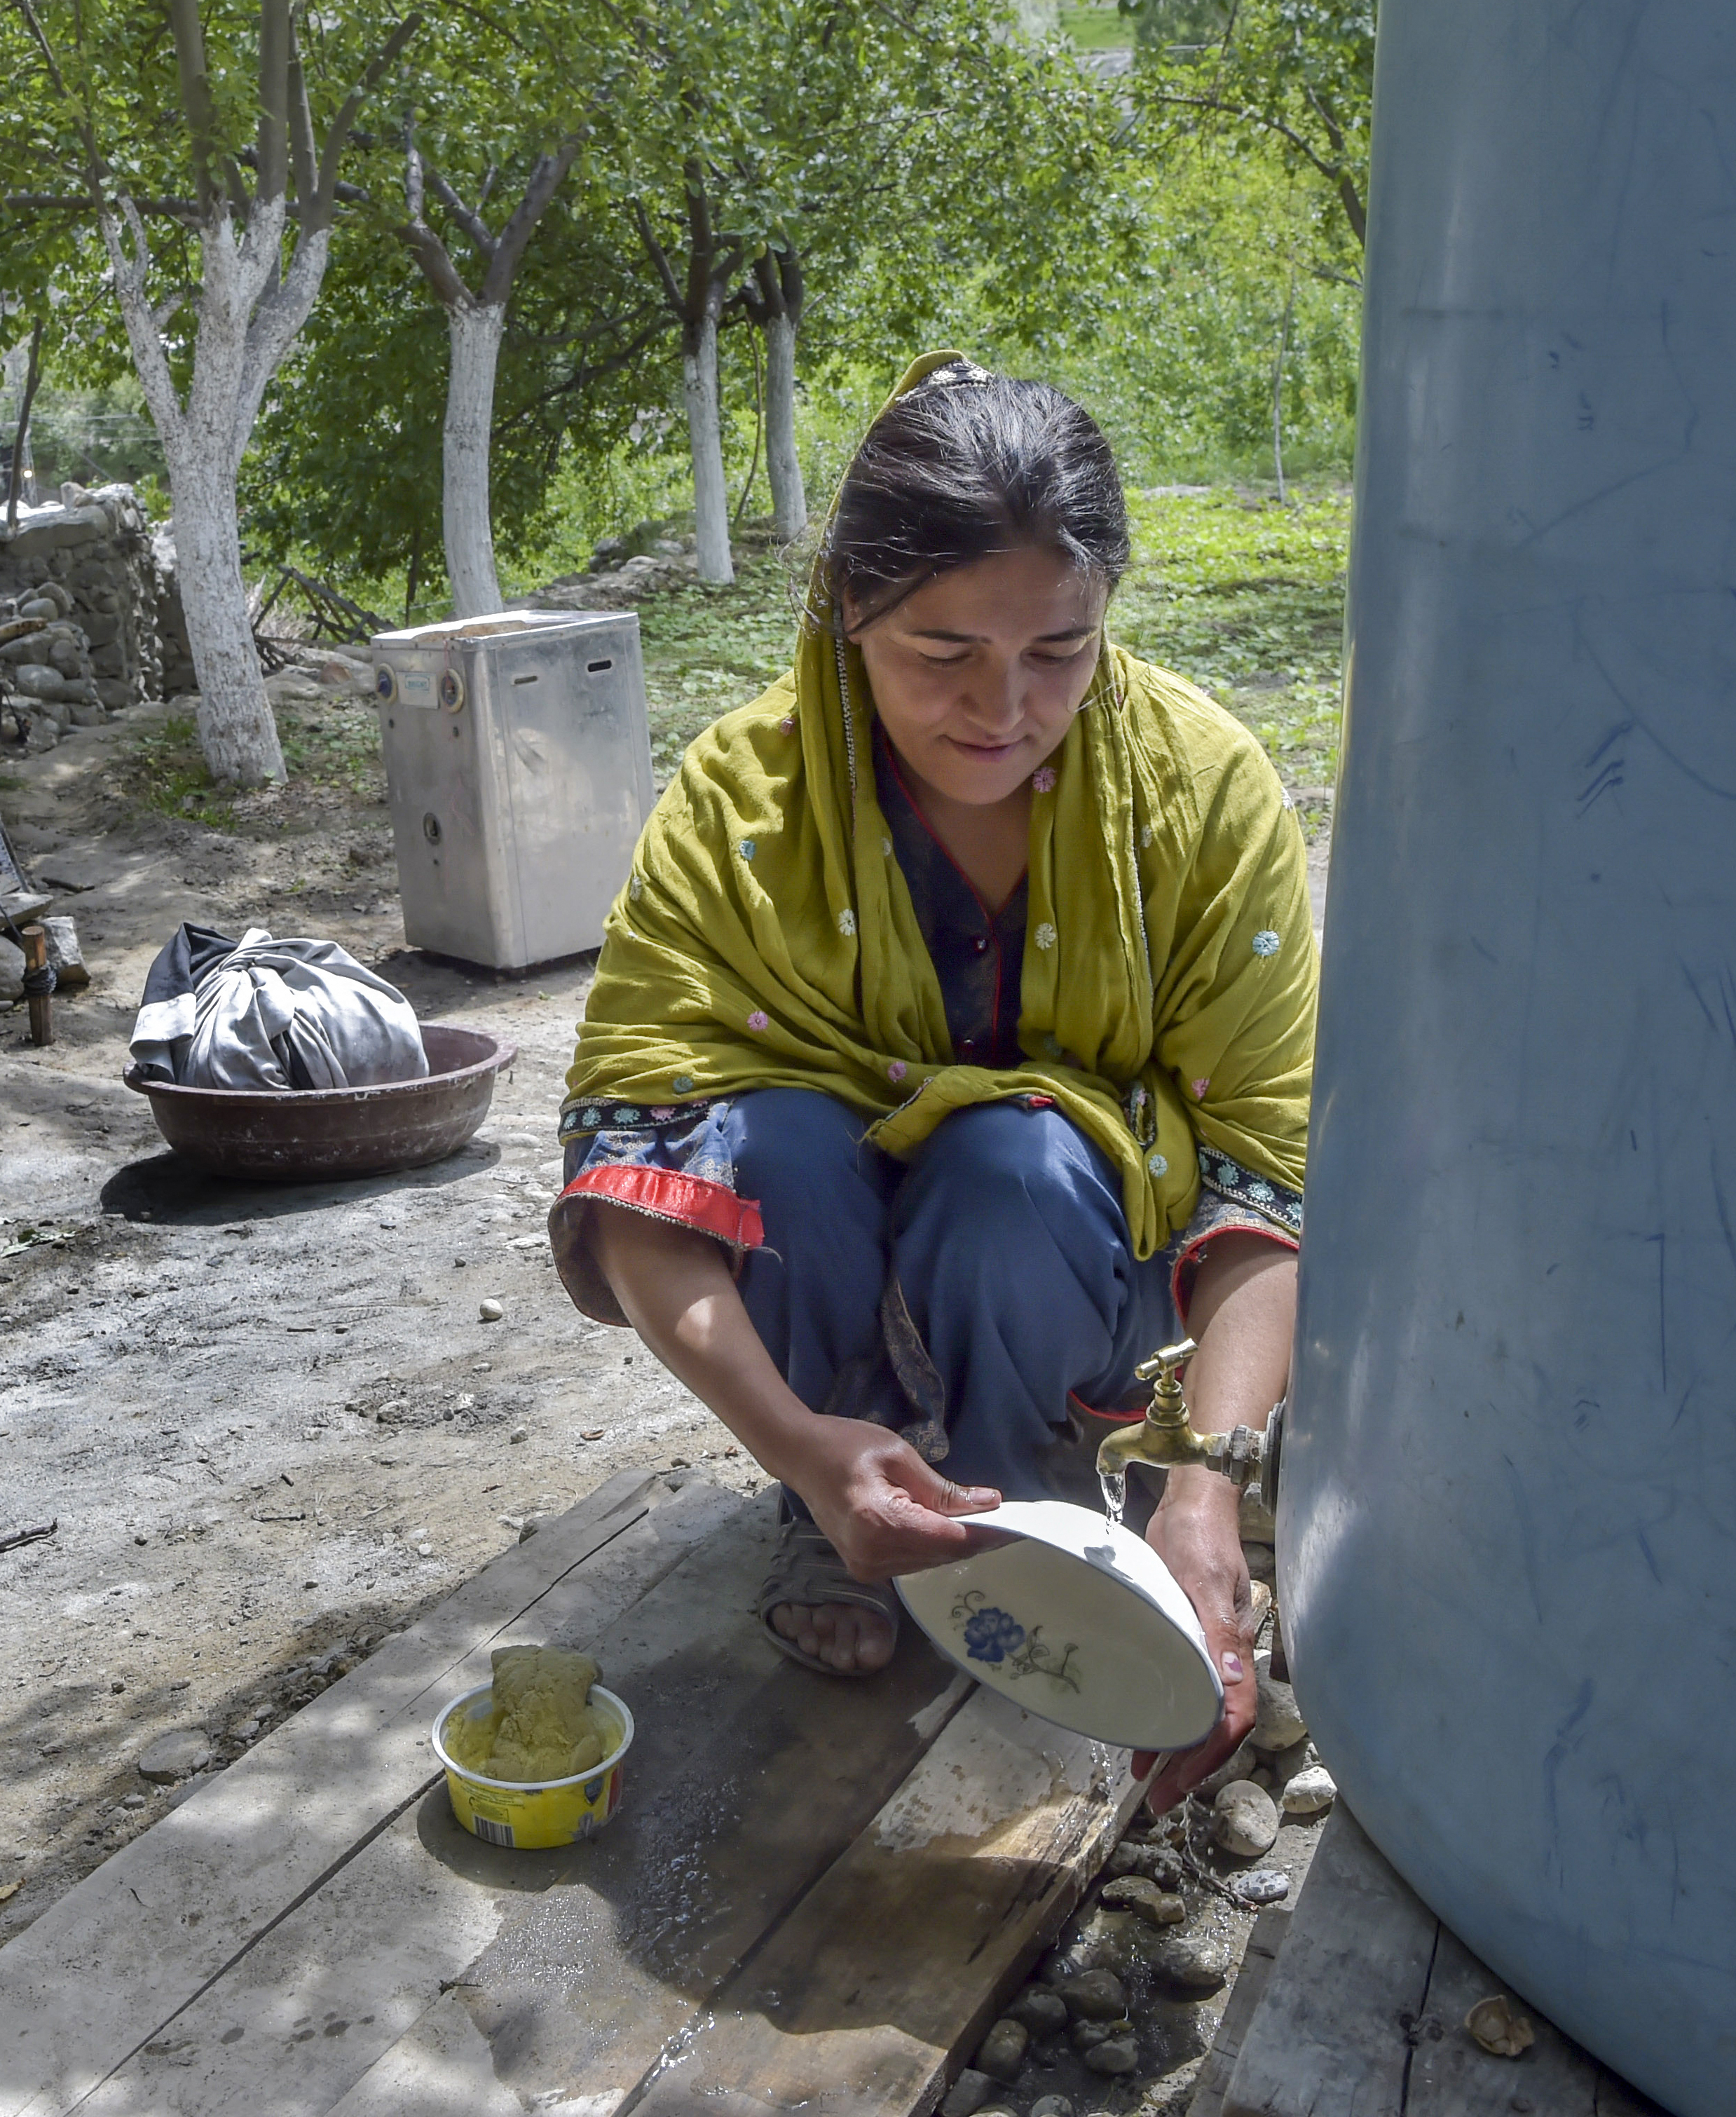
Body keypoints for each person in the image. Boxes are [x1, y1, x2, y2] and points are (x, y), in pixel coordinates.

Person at [554, 354, 1314, 1809]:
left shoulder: (1201, 792)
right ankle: (836, 1494)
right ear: (848, 610)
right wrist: (789, 1438)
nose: (1002, 709)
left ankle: (1020, 1485)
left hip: (1071, 1268)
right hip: (819, 1284)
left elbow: (1260, 1169)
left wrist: (1211, 1482)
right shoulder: (741, 805)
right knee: (760, 1141)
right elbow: (632, 1166)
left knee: (1009, 1161)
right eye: (939, 652)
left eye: (1059, 651)